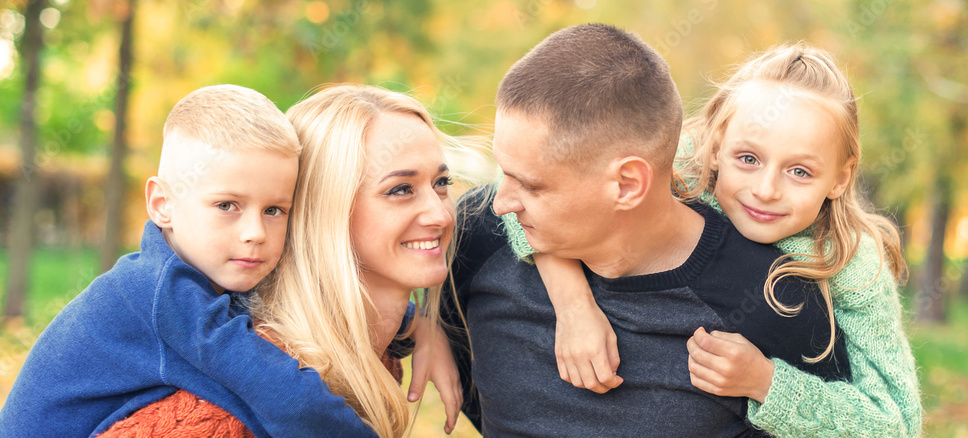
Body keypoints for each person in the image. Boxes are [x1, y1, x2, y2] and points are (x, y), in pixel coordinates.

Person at [442, 24, 851, 437]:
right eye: (503, 173)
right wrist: (428, 332)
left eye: (531, 185)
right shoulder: (478, 235)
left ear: (627, 184)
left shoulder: (775, 299)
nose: (500, 203)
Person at [504, 43, 922, 437]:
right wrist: (574, 306)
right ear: (716, 145)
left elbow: (897, 424)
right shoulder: (681, 171)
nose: (766, 190)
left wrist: (767, 383)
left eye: (799, 171)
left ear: (840, 178)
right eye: (748, 159)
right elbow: (528, 200)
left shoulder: (854, 264)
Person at [100, 84, 496, 437]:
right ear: (323, 212)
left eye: (441, 183)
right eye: (400, 189)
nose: (441, 215)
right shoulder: (228, 404)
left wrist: (424, 326)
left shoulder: (376, 349)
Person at [0, 85, 375, 438]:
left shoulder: (206, 273)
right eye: (227, 205)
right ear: (163, 205)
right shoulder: (158, 295)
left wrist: (415, 324)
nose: (255, 232)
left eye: (274, 210)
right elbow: (291, 401)